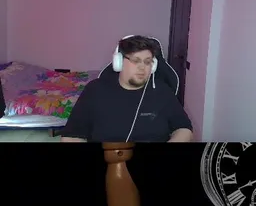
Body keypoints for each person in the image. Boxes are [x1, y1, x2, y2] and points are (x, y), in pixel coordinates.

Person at [61, 35, 194, 143]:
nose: (142, 67)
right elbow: (71, 136)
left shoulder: (162, 91)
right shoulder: (95, 90)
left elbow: (184, 128)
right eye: (136, 60)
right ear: (119, 62)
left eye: (147, 62)